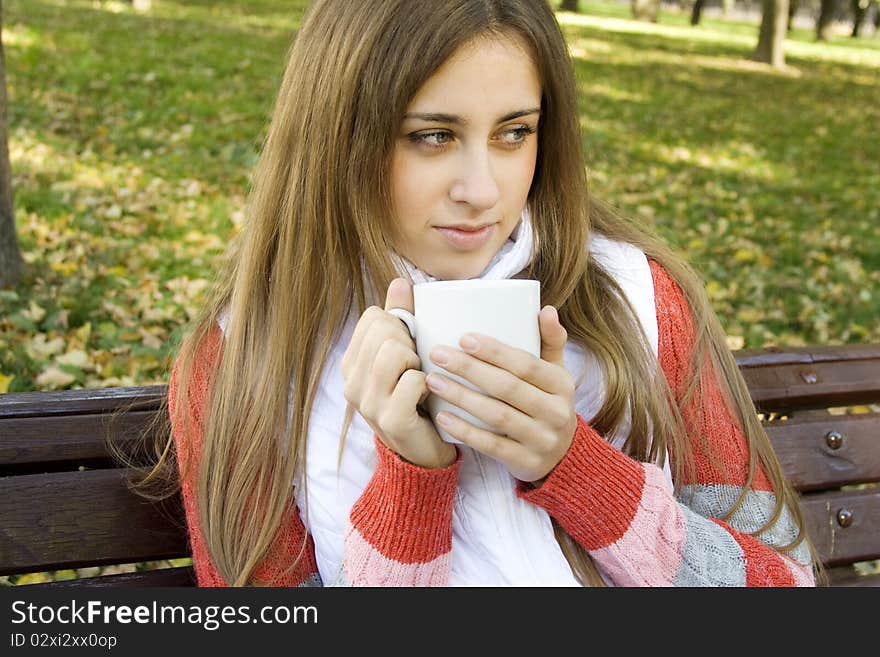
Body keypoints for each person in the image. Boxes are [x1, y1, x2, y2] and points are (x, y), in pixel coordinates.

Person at [154, 0, 820, 587]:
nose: (482, 190)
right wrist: (410, 486)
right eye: (433, 136)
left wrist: (581, 468)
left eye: (514, 133)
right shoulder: (242, 357)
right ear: (339, 135)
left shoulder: (641, 297)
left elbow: (784, 583)